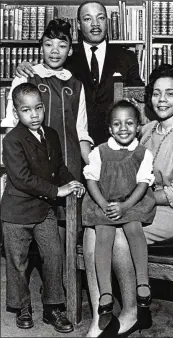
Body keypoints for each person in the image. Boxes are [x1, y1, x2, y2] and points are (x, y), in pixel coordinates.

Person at [82, 64, 173, 337]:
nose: (162, 100)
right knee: (92, 228)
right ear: (149, 98)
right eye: (157, 93)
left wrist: (129, 202)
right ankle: (98, 316)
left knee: (119, 233)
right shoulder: (144, 129)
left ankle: (131, 311)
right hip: (136, 203)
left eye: (170, 94)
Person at [1, 18, 93, 285]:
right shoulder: (26, 76)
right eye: (48, 44)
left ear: (70, 50)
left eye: (62, 45)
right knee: (31, 222)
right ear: (40, 46)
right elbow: (12, 124)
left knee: (62, 224)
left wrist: (94, 167)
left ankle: (59, 285)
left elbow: (82, 130)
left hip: (67, 162)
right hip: (34, 165)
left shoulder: (75, 85)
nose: (55, 50)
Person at [1, 82, 85, 333]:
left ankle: (52, 308)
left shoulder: (51, 134)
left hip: (44, 209)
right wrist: (57, 191)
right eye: (26, 110)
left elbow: (57, 167)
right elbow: (22, 178)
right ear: (16, 113)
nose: (34, 114)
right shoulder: (12, 140)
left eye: (38, 108)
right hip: (16, 213)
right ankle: (22, 307)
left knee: (53, 256)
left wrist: (70, 181)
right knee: (18, 262)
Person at [13, 1, 144, 145]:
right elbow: (46, 70)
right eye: (88, 19)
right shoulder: (66, 56)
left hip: (116, 141)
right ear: (79, 25)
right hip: (74, 142)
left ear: (107, 21)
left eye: (100, 18)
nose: (95, 24)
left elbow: (139, 95)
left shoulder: (127, 57)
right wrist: (25, 67)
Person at [82, 99, 156, 336]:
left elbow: (143, 183)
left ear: (138, 127)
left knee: (134, 229)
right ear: (110, 128)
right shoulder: (99, 152)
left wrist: (125, 206)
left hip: (130, 202)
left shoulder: (144, 154)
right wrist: (104, 205)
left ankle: (143, 284)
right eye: (117, 124)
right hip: (104, 202)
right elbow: (91, 180)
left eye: (129, 123)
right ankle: (105, 294)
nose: (123, 128)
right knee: (103, 234)